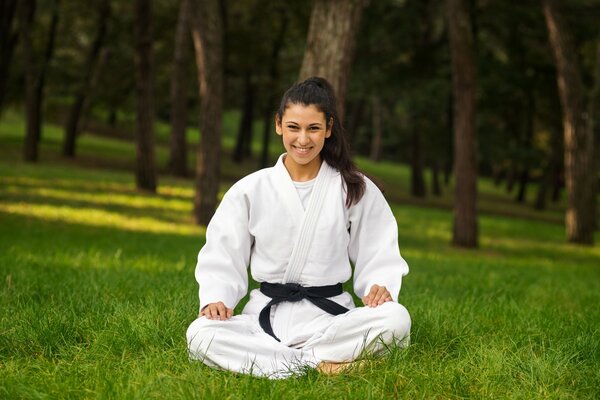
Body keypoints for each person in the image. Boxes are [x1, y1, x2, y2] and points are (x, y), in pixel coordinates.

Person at [186, 77, 411, 378]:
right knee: (201, 333)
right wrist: (217, 297)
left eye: (313, 128)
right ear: (278, 124)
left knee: (396, 319)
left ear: (328, 129)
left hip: (330, 318)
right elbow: (223, 252)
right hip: (265, 317)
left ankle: (277, 363)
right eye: (293, 127)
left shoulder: (353, 188)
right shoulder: (251, 189)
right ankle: (319, 364)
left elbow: (378, 248)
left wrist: (378, 285)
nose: (302, 139)